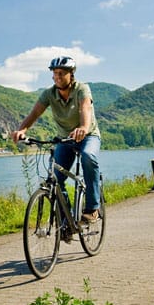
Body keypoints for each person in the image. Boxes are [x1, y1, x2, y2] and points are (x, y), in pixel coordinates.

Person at [11, 56, 101, 224]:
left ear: (71, 74)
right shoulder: (49, 94)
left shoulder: (82, 89)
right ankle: (65, 221)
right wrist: (22, 130)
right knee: (55, 178)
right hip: (65, 139)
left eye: (61, 73)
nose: (57, 76)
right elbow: (35, 114)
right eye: (55, 73)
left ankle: (92, 208)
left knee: (89, 156)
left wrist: (83, 127)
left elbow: (85, 108)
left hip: (88, 135)